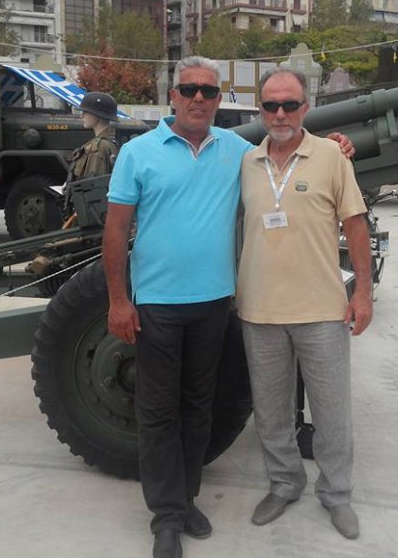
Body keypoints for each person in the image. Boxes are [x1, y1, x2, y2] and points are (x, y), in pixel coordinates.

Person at [102, 57, 352, 558]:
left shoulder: (236, 151)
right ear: (173, 96)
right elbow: (115, 229)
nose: (199, 98)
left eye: (209, 91)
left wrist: (337, 145)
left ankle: (187, 499)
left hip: (215, 302)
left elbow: (286, 150)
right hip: (157, 305)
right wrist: (118, 300)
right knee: (159, 412)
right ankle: (166, 517)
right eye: (189, 89)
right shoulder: (137, 152)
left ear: (220, 100)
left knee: (199, 408)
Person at [236, 68, 373, 540]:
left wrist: (362, 292)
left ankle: (336, 494)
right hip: (259, 310)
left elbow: (355, 224)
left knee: (332, 412)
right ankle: (284, 484)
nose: (280, 114)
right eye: (271, 105)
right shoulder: (246, 162)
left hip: (322, 309)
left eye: (289, 104)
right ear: (260, 110)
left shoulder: (332, 155)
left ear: (305, 108)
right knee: (271, 412)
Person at [69, 91, 120, 182]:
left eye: (85, 112)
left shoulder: (99, 147)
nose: (82, 116)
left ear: (97, 115)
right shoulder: (110, 143)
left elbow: (93, 185)